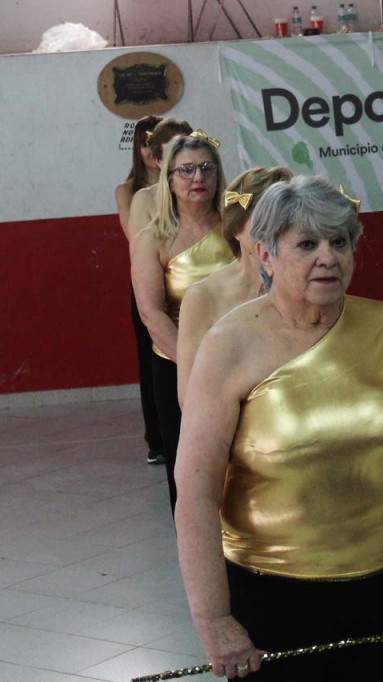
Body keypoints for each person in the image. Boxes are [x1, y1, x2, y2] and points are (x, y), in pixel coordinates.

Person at [175, 175, 383, 680]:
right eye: (306, 244)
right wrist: (213, 619)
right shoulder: (228, 344)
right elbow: (195, 491)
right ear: (265, 254)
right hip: (272, 595)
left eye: (339, 242)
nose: (327, 257)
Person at [131, 131, 232, 514]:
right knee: (190, 467)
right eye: (186, 170)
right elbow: (151, 313)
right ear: (169, 180)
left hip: (239, 357)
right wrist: (193, 364)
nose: (198, 177)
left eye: (207, 168)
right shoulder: (153, 237)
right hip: (177, 365)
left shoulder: (238, 229)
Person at [176, 166, 293, 406]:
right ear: (236, 227)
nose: (276, 230)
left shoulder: (308, 287)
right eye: (264, 219)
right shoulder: (203, 296)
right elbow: (190, 397)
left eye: (286, 220)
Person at [114, 114, 165, 465]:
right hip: (149, 282)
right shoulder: (126, 191)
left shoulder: (187, 181)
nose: (151, 150)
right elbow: (137, 239)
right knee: (152, 359)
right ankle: (157, 439)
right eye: (145, 143)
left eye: (157, 143)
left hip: (190, 280)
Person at [128, 118, 194, 243]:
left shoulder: (208, 189)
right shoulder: (144, 199)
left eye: (185, 151)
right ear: (158, 160)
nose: (181, 160)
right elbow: (139, 250)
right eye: (171, 155)